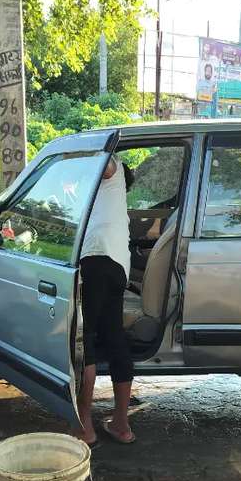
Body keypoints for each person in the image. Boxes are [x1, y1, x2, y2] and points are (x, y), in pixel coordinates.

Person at [74, 154, 135, 446]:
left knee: (86, 339)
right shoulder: (114, 207)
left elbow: (108, 165)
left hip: (96, 260)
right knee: (114, 338)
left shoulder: (112, 171)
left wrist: (89, 153)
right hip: (118, 268)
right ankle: (121, 425)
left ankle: (85, 425)